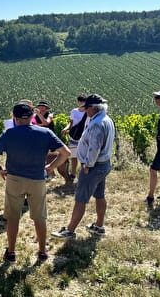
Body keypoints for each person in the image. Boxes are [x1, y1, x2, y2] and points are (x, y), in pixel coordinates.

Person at [0, 103, 70, 263]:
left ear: (15, 117)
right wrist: (51, 167)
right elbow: (65, 153)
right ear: (32, 116)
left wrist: (0, 169)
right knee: (40, 217)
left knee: (13, 217)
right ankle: (42, 251)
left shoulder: (9, 133)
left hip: (14, 179)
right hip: (37, 179)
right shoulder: (45, 132)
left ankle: (11, 252)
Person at [52, 94, 115, 239]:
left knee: (81, 198)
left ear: (93, 108)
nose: (85, 111)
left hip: (94, 166)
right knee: (100, 195)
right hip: (104, 164)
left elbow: (94, 147)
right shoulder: (107, 119)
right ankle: (99, 226)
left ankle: (70, 230)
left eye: (86, 108)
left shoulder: (97, 124)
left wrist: (87, 165)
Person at [61, 94, 87, 181]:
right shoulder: (74, 111)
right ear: (78, 102)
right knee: (74, 157)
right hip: (74, 136)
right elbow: (71, 123)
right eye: (80, 102)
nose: (81, 104)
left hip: (84, 137)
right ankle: (73, 174)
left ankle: (84, 175)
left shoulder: (88, 112)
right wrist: (66, 128)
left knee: (84, 157)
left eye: (83, 102)